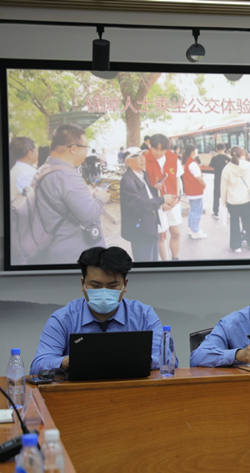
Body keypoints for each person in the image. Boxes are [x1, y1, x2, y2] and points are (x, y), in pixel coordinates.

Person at [30, 246, 172, 374]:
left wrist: (136, 360)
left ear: (125, 285)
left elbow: (168, 360)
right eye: (96, 286)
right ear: (82, 284)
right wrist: (65, 362)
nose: (104, 292)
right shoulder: (62, 319)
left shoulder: (144, 316)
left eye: (112, 286)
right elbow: (38, 366)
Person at [34, 123, 107, 264]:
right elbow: (89, 214)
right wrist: (100, 197)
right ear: (74, 149)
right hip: (74, 253)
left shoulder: (45, 169)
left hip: (55, 246)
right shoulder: (66, 176)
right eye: (86, 147)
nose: (87, 151)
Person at [120, 147, 177, 262]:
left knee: (153, 259)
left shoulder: (142, 174)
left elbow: (146, 196)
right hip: (140, 231)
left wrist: (155, 189)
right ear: (128, 162)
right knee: (145, 262)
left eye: (143, 156)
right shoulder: (127, 180)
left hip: (149, 226)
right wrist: (162, 199)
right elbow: (138, 204)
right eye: (137, 157)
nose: (142, 159)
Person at [144, 134, 183, 261]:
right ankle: (165, 263)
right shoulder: (144, 159)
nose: (159, 153)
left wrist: (176, 197)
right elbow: (143, 186)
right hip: (157, 204)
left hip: (173, 201)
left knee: (176, 233)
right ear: (150, 145)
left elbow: (177, 178)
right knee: (161, 236)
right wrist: (160, 203)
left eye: (162, 150)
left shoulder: (174, 158)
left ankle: (175, 259)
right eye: (156, 149)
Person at [221, 146, 250, 253]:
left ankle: (236, 246)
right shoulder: (249, 166)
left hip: (232, 201)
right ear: (242, 154)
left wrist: (223, 201)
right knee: (249, 222)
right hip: (247, 200)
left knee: (234, 223)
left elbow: (223, 187)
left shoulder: (227, 169)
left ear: (230, 154)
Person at [182, 144, 208, 240]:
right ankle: (195, 231)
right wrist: (204, 184)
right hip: (196, 191)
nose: (197, 151)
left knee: (193, 210)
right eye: (196, 149)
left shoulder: (187, 162)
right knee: (197, 211)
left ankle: (192, 229)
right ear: (192, 151)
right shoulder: (193, 163)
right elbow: (198, 177)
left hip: (191, 191)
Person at [8, 136, 38, 200]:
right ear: (30, 154)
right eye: (36, 150)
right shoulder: (28, 173)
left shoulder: (15, 169)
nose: (37, 153)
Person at [210, 142, 230, 219]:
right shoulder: (228, 158)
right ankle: (229, 211)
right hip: (226, 180)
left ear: (216, 149)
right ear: (224, 149)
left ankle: (216, 213)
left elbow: (211, 165)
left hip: (218, 180)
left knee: (216, 197)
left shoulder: (214, 158)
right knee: (227, 196)